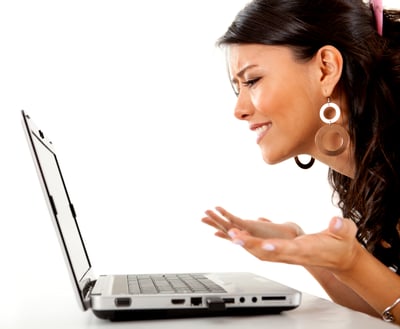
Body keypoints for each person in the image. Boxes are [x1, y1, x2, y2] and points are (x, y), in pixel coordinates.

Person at [201, 0, 400, 324]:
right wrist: (305, 248)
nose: (239, 110)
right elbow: (389, 307)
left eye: (252, 81)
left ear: (326, 68)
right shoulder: (371, 171)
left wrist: (352, 262)